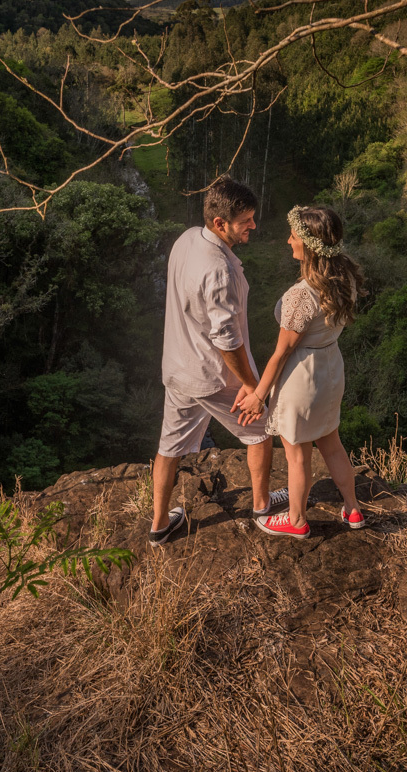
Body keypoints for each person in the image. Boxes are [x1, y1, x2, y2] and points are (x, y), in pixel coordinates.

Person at [149, 177, 288, 546]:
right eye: (246, 221)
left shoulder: (187, 239)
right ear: (219, 223)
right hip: (212, 374)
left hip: (178, 368)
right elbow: (226, 340)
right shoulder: (218, 269)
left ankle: (160, 524)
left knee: (169, 447)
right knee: (261, 429)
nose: (253, 226)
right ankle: (261, 508)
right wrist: (250, 385)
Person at [234, 205, 366, 539]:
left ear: (308, 244)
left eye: (293, 235)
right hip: (331, 367)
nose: (288, 240)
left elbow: (281, 353)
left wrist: (258, 397)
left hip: (302, 377)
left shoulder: (301, 296)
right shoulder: (345, 276)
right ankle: (352, 509)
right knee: (332, 443)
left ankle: (295, 521)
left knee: (297, 456)